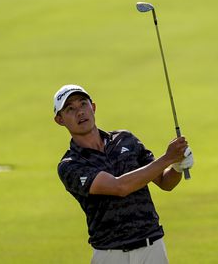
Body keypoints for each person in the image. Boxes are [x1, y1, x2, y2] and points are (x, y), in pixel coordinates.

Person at [53, 84, 194, 264]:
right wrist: (167, 158)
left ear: (93, 107)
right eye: (70, 109)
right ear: (60, 120)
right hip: (110, 254)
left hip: (152, 248)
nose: (80, 112)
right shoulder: (70, 165)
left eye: (83, 104)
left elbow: (165, 182)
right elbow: (119, 187)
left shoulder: (125, 139)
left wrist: (177, 167)